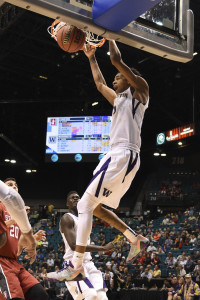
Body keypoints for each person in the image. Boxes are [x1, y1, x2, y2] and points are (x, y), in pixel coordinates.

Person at [48, 39, 149, 281]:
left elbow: (116, 60)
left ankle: (77, 264)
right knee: (94, 207)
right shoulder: (119, 100)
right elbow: (99, 82)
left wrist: (109, 36)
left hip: (122, 153)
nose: (114, 80)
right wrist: (91, 56)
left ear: (130, 78)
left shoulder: (141, 92)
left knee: (84, 205)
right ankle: (134, 238)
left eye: (119, 77)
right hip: (123, 157)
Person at [48, 191, 114, 299]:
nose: (75, 199)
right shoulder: (67, 218)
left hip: (89, 263)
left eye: (78, 198)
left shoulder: (85, 219)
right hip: (74, 263)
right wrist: (103, 248)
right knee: (91, 295)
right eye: (72, 198)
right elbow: (74, 246)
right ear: (67, 203)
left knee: (102, 296)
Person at [0, 178, 48, 300]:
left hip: (14, 262)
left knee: (40, 295)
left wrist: (33, 240)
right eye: (9, 185)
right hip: (1, 262)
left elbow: (18, 249)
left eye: (16, 185)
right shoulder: (1, 206)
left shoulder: (18, 216)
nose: (14, 186)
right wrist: (15, 219)